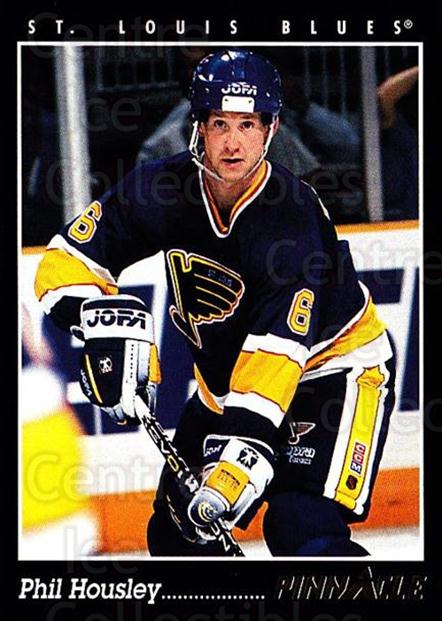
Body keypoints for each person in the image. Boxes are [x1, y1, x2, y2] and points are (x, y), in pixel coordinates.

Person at [35, 49, 396, 557]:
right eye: (220, 123)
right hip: (223, 387)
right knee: (176, 535)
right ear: (199, 127)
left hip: (332, 373)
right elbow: (66, 260)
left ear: (270, 129)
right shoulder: (161, 188)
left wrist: (237, 462)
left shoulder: (290, 219)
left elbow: (277, 355)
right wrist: (95, 319)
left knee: (301, 526)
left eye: (247, 124)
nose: (232, 142)